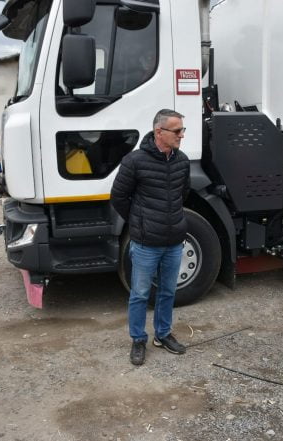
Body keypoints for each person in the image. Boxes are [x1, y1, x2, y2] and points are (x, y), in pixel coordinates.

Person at [111, 109, 190, 366]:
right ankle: (138, 339)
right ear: (159, 132)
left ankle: (163, 334)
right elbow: (118, 197)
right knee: (140, 293)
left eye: (182, 130)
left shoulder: (182, 161)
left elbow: (183, 194)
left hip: (174, 241)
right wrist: (140, 222)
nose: (181, 135)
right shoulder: (134, 161)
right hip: (146, 243)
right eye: (177, 131)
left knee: (167, 291)